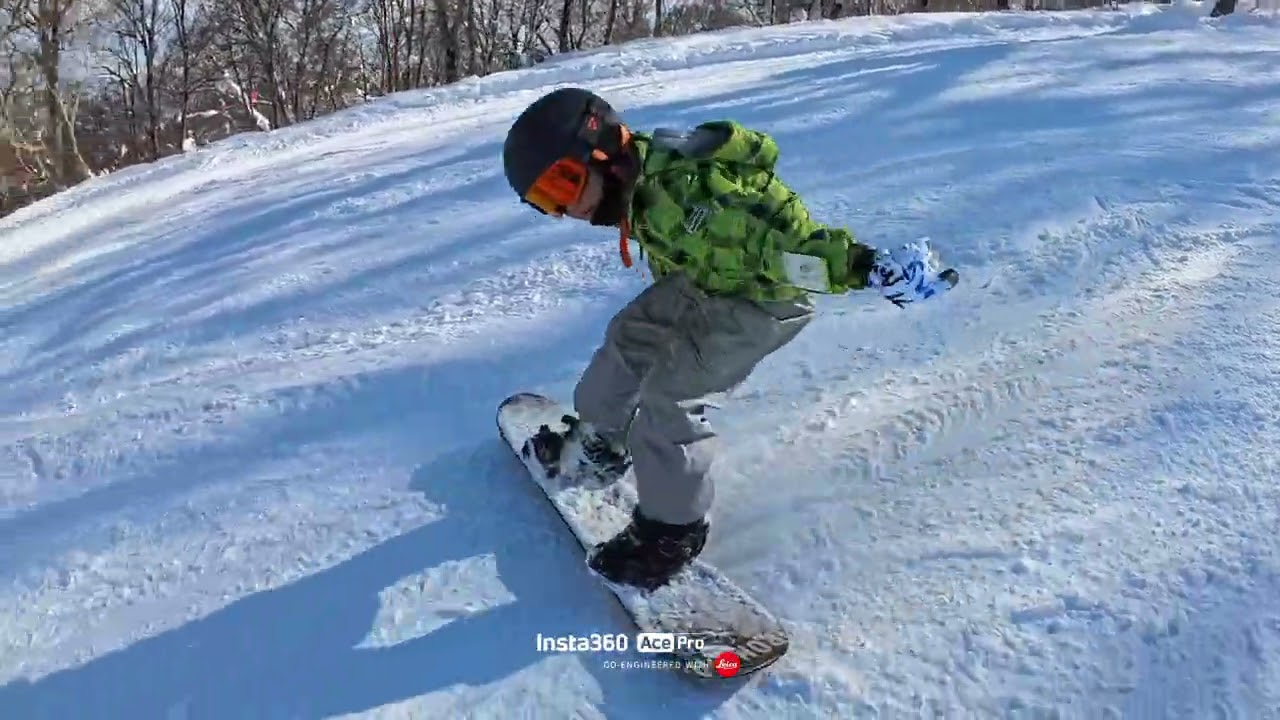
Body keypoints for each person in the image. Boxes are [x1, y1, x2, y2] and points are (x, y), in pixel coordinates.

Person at [500, 87, 958, 592]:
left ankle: (671, 533)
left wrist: (864, 266)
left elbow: (782, 247)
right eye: (547, 201)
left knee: (668, 397)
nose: (567, 210)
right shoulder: (641, 176)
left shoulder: (695, 195)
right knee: (629, 338)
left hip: (761, 299)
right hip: (707, 279)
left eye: (563, 185)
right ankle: (598, 444)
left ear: (603, 150)